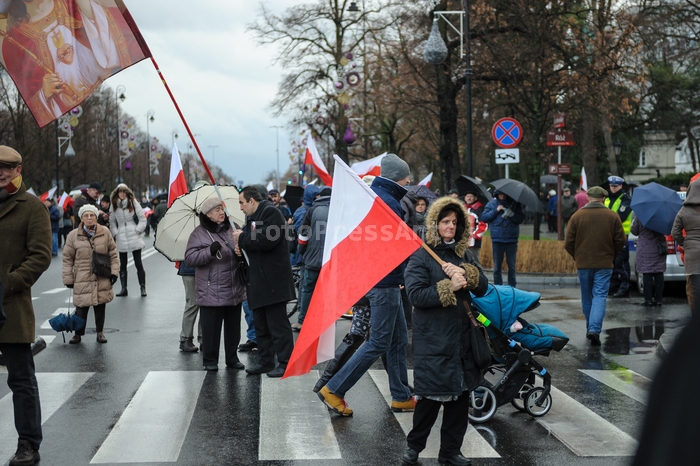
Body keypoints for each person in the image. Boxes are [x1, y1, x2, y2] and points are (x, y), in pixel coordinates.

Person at [318, 153, 414, 416]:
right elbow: (388, 246)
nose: (409, 182)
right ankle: (335, 389)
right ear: (399, 178)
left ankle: (401, 395)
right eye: (407, 177)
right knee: (380, 341)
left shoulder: (375, 198)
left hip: (380, 280)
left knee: (397, 339)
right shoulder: (389, 202)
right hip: (385, 283)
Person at [402, 196, 488, 466]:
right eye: (445, 221)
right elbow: (415, 295)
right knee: (430, 399)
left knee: (459, 400)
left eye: (455, 222)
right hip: (434, 339)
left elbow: (483, 285)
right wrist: (448, 287)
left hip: (461, 338)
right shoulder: (422, 254)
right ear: (435, 224)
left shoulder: (464, 254)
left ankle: (450, 452)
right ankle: (413, 448)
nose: (450, 226)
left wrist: (465, 273)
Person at [1, 0, 145, 126]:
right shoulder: (14, 41)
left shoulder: (71, 4)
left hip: (99, 87)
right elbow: (29, 93)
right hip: (63, 101)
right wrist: (44, 93)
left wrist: (89, 12)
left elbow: (113, 37)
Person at [0, 146, 52, 466]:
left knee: (21, 380)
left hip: (11, 307)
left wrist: (9, 282)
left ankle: (28, 444)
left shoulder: (32, 207)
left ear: (18, 170)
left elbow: (41, 256)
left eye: (6, 169)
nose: (0, 174)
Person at [233, 186, 296, 378]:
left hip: (273, 281)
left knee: (278, 325)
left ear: (252, 201)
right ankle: (266, 361)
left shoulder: (271, 213)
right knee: (261, 325)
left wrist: (243, 238)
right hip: (258, 281)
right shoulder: (252, 218)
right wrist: (241, 247)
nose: (241, 208)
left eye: (242, 203)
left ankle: (286, 363)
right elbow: (253, 243)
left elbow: (268, 240)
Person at [185, 197, 246, 371]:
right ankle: (210, 360)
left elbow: (244, 248)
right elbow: (190, 259)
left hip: (234, 287)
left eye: (222, 209)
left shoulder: (232, 229)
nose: (221, 212)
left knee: (233, 329)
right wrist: (209, 251)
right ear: (208, 215)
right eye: (217, 210)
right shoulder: (199, 233)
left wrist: (241, 250)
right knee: (211, 330)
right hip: (211, 290)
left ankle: (232, 359)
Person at [564, 186, 625, 346]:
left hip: (583, 263)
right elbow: (620, 241)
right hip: (605, 263)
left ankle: (589, 328)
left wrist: (577, 256)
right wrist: (612, 255)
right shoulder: (612, 216)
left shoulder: (577, 216)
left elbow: (568, 242)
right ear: (604, 198)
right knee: (599, 296)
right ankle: (594, 329)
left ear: (589, 198)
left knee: (587, 296)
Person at [62, 204, 119, 344]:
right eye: (86, 216)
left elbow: (113, 254)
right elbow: (67, 258)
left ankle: (100, 332)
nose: (89, 218)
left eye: (92, 215)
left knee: (100, 306)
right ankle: (78, 334)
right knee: (81, 307)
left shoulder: (105, 232)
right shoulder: (73, 235)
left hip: (101, 275)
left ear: (96, 217)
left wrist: (114, 272)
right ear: (81, 218)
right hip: (82, 277)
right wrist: (68, 278)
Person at [294, 187, 331, 331]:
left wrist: (302, 251)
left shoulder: (312, 210)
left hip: (312, 258)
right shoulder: (338, 210)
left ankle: (303, 320)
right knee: (327, 291)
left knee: (307, 289)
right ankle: (326, 322)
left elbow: (303, 234)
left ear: (319, 196)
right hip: (330, 259)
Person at [109, 183, 147, 297]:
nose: (122, 194)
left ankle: (143, 288)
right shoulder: (114, 204)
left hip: (134, 234)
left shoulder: (133, 202)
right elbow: (111, 221)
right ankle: (124, 288)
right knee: (123, 264)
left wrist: (137, 230)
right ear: (117, 193)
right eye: (120, 191)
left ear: (127, 193)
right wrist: (116, 233)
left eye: (124, 191)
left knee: (138, 263)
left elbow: (142, 218)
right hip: (121, 236)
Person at [480, 190, 525, 287]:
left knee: (511, 266)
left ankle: (512, 287)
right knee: (497, 266)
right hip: (497, 239)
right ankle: (498, 287)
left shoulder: (514, 204)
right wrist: (496, 211)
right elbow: (484, 217)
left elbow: (520, 219)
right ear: (496, 194)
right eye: (500, 194)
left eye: (504, 194)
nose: (502, 196)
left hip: (511, 239)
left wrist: (512, 215)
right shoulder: (492, 204)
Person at [672, 180, 700, 316]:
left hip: (692, 252)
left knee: (693, 286)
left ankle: (696, 319)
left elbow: (675, 233)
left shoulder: (684, 211)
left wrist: (684, 243)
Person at [605, 176, 632, 297]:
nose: (613, 188)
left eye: (615, 186)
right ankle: (613, 286)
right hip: (608, 235)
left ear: (621, 186)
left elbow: (620, 217)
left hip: (621, 235)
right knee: (611, 262)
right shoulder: (607, 199)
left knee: (621, 262)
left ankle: (624, 287)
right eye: (611, 186)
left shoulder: (626, 199)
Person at [631, 217, 667, 306]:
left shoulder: (640, 216)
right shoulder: (661, 216)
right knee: (659, 272)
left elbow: (634, 231)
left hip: (645, 247)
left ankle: (648, 300)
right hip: (658, 248)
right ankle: (658, 300)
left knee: (647, 273)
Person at [177, 260, 201, 352]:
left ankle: (204, 339)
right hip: (190, 268)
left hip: (204, 268)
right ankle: (185, 338)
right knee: (193, 303)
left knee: (206, 303)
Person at [464, 191, 487, 268]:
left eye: (471, 196)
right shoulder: (462, 208)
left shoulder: (479, 209)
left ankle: (480, 279)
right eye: (467, 196)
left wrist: (474, 236)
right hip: (462, 240)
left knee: (474, 262)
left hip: (473, 241)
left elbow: (483, 225)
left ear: (475, 198)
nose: (469, 198)